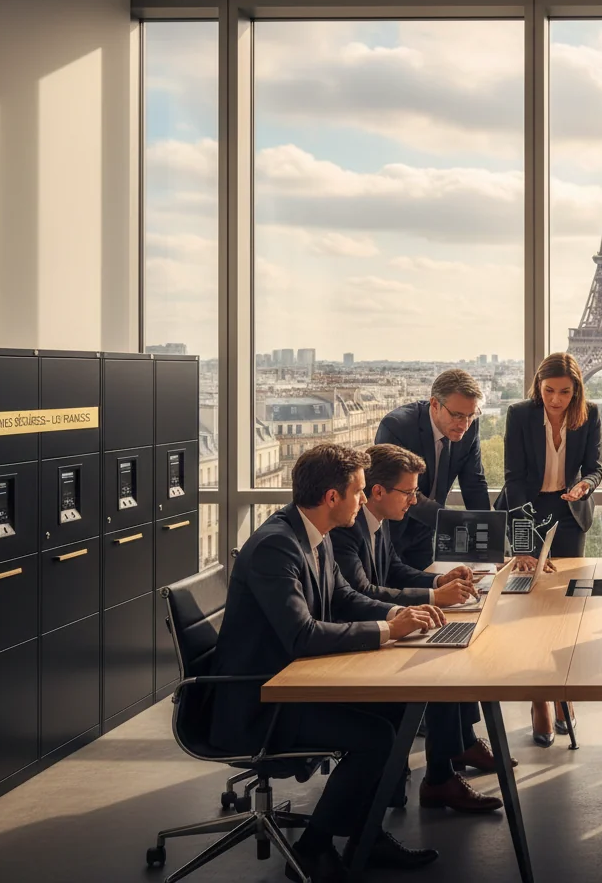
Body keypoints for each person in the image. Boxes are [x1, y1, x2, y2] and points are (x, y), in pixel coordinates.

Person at [209, 444, 444, 883]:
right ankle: (313, 851)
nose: (363, 500)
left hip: (291, 683)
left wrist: (396, 615)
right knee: (375, 735)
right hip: (261, 700)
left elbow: (341, 596)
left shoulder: (313, 534)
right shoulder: (276, 546)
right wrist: (390, 632)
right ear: (332, 497)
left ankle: (365, 837)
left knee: (394, 709)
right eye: (358, 491)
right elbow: (301, 636)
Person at [330, 443, 513, 813]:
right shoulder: (345, 530)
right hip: (355, 638)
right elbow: (360, 591)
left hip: (377, 622)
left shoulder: (378, 523)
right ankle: (441, 778)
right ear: (378, 492)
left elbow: (394, 569)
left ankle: (450, 761)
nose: (414, 501)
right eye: (409, 492)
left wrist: (440, 580)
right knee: (441, 671)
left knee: (452, 657)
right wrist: (431, 595)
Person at [498, 352, 602, 746]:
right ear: (537, 387)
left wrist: (585, 486)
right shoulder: (520, 414)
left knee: (568, 609)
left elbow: (595, 466)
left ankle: (564, 692)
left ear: (575, 390)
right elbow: (512, 477)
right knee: (529, 610)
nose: (555, 400)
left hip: (569, 508)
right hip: (528, 507)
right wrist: (522, 541)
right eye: (548, 391)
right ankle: (539, 700)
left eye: (563, 392)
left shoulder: (589, 414)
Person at [375, 369, 490, 571]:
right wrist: (453, 523)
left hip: (425, 533)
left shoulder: (470, 426)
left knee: (429, 591)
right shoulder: (397, 427)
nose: (464, 424)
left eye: (471, 415)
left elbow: (474, 484)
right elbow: (401, 491)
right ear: (435, 404)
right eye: (457, 415)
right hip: (392, 531)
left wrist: (486, 542)